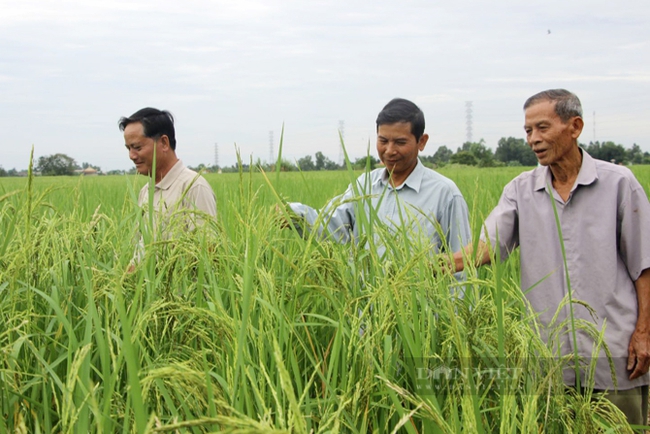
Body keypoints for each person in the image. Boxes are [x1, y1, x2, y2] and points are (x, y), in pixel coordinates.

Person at [449, 89, 650, 425]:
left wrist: (644, 331)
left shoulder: (618, 183)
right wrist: (428, 265)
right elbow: (485, 248)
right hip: (548, 357)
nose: (533, 139)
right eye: (528, 131)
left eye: (542, 128)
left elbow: (644, 264)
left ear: (575, 126)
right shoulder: (520, 190)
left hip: (614, 351)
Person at [286, 98, 471, 261]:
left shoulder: (444, 193)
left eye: (400, 142)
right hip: (368, 299)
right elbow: (330, 227)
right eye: (383, 141)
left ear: (421, 141)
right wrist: (294, 215)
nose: (389, 151)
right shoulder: (365, 185)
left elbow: (461, 262)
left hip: (421, 300)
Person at [119, 108, 217, 265]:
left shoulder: (193, 186)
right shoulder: (146, 192)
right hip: (149, 289)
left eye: (137, 147)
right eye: (128, 148)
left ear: (164, 143)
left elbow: (209, 252)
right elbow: (141, 250)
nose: (131, 155)